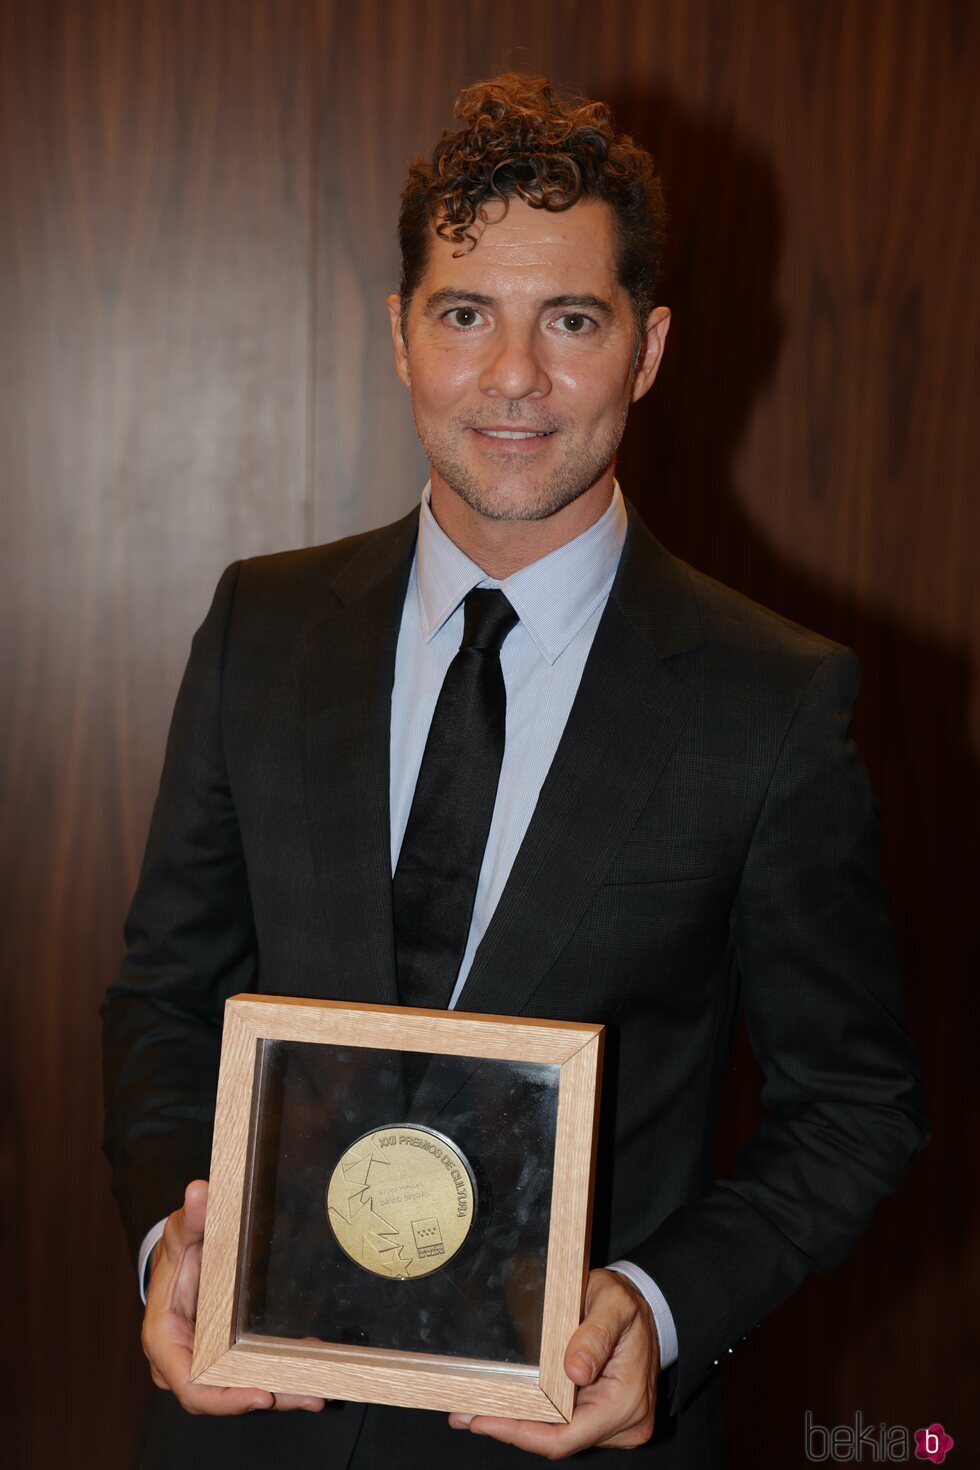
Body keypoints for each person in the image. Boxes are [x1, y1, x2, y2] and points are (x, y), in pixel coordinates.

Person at [101, 74, 929, 1468]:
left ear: (648, 349)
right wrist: (164, 1245)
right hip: (243, 1432)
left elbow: (854, 1108)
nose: (513, 379)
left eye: (575, 321)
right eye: (466, 313)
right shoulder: (264, 624)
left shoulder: (775, 700)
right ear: (402, 335)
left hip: (569, 1436)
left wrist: (660, 1309)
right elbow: (162, 996)